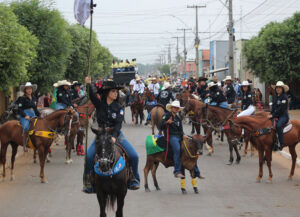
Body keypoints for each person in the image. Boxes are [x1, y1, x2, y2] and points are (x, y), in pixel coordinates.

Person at [83, 78, 140, 192]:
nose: (116, 93)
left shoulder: (119, 107)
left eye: (116, 92)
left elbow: (118, 125)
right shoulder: (99, 105)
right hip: (101, 135)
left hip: (116, 134)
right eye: (113, 91)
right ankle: (88, 181)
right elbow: (92, 95)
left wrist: (114, 136)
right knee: (89, 157)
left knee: (134, 156)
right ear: (107, 93)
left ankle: (134, 179)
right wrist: (88, 84)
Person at [161, 100, 203, 179]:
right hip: (171, 136)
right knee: (177, 149)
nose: (176, 109)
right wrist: (166, 122)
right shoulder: (166, 115)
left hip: (179, 136)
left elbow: (180, 129)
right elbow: (160, 126)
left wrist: (183, 134)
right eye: (175, 107)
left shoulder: (178, 118)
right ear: (171, 108)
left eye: (177, 108)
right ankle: (177, 171)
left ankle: (197, 172)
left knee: (192, 148)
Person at [16, 82, 40, 152]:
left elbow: (35, 109)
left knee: (38, 126)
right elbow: (19, 109)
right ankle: (25, 145)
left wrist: (40, 115)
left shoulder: (34, 98)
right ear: (25, 90)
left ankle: (36, 143)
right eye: (28, 89)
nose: (29, 90)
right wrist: (25, 115)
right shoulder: (21, 98)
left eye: (30, 89)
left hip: (33, 113)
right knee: (26, 127)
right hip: (25, 113)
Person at [269, 81, 289, 151]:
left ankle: (281, 143)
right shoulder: (275, 97)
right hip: (276, 115)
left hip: (283, 116)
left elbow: (282, 109)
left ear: (282, 89)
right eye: (277, 87)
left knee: (278, 126)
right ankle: (272, 142)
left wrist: (273, 115)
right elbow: (273, 108)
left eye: (279, 88)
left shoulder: (284, 97)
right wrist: (270, 114)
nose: (278, 89)